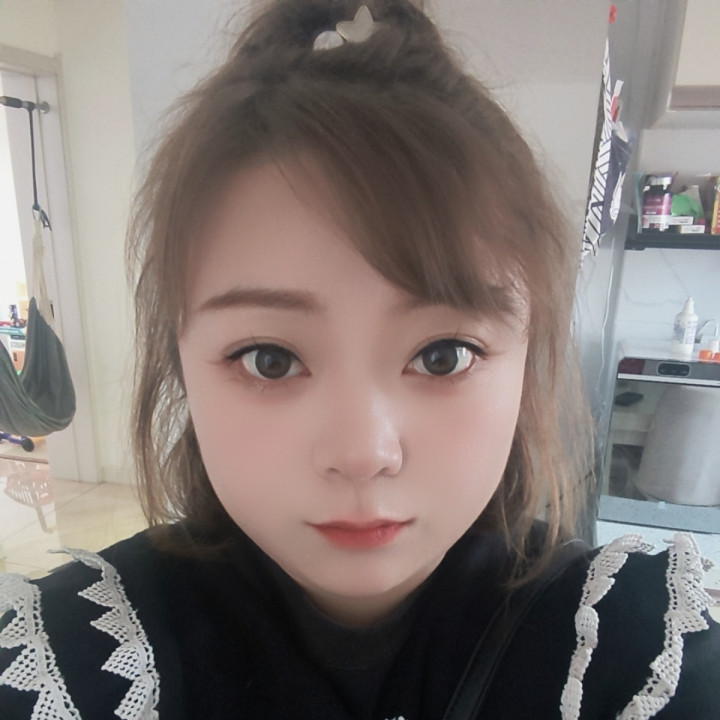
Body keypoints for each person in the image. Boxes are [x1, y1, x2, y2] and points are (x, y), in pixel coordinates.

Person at [1, 1, 718, 718]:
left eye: (443, 356)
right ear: (180, 363)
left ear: (529, 359)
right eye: (270, 360)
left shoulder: (632, 653)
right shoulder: (68, 660)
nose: (362, 454)